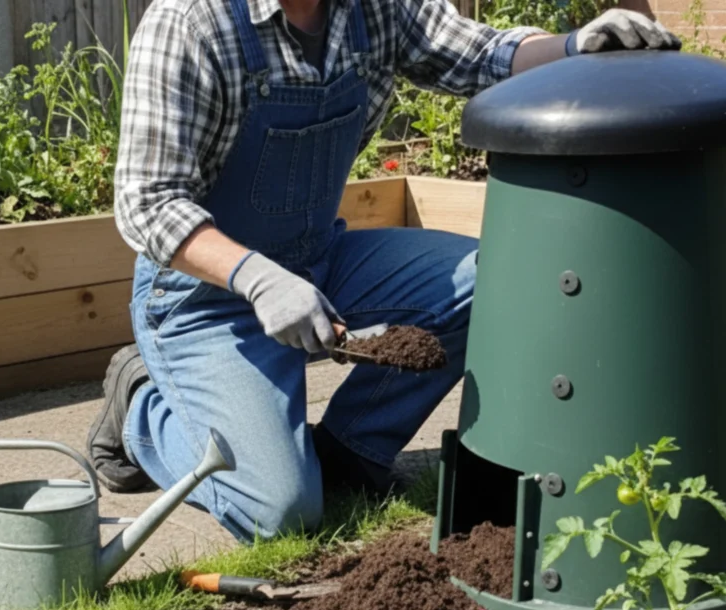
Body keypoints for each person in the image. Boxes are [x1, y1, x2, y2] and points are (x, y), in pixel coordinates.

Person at [87, 0, 680, 543]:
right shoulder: (191, 23)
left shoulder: (372, 7)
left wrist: (576, 46)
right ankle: (139, 405)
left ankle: (350, 450)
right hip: (205, 298)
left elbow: (480, 55)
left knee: (500, 282)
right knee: (279, 514)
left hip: (320, 261)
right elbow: (149, 202)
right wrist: (258, 278)